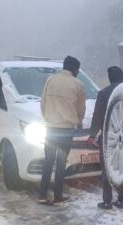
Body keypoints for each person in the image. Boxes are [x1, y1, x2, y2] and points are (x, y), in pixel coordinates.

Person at [38, 56, 86, 205]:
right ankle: (58, 195)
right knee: (61, 163)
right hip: (66, 130)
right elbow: (81, 109)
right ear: (75, 69)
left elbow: (43, 103)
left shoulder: (50, 80)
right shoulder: (77, 84)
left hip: (51, 128)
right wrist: (78, 121)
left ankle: (42, 195)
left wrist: (48, 118)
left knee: (48, 161)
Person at [88, 66, 123, 210]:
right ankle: (121, 200)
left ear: (110, 78)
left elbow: (97, 116)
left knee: (107, 170)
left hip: (108, 137)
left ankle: (107, 201)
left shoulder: (103, 93)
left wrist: (92, 135)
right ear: (122, 77)